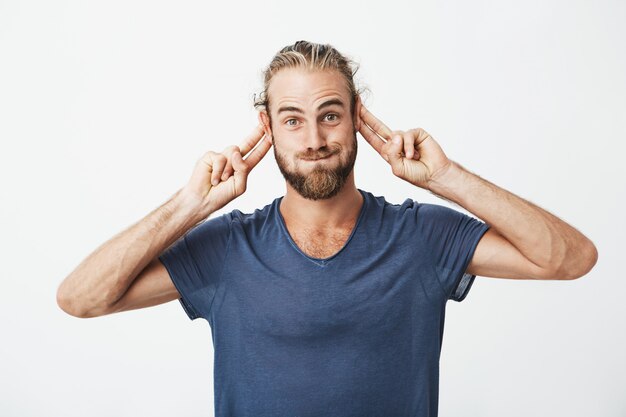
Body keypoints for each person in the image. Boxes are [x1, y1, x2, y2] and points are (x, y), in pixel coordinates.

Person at [56, 40, 598, 417]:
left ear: (357, 116)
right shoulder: (227, 248)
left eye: (330, 114)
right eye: (292, 119)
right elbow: (81, 299)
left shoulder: (421, 236)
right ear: (267, 127)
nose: (313, 137)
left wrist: (447, 179)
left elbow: (570, 259)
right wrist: (188, 205)